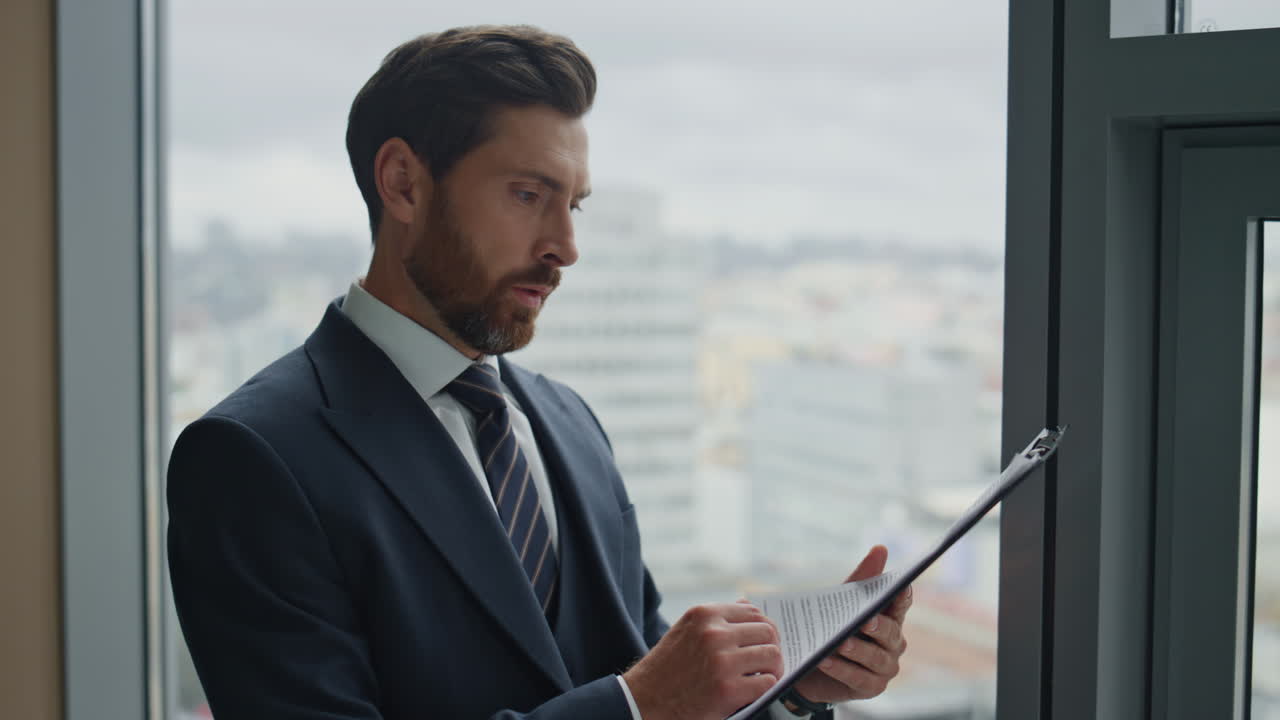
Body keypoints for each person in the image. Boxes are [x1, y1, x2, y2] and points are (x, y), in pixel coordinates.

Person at [167, 24, 912, 720]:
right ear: (402, 183)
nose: (565, 246)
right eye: (528, 195)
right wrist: (632, 708)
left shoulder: (569, 422)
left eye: (573, 206)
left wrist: (787, 688)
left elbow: (662, 683)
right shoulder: (251, 457)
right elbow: (647, 696)